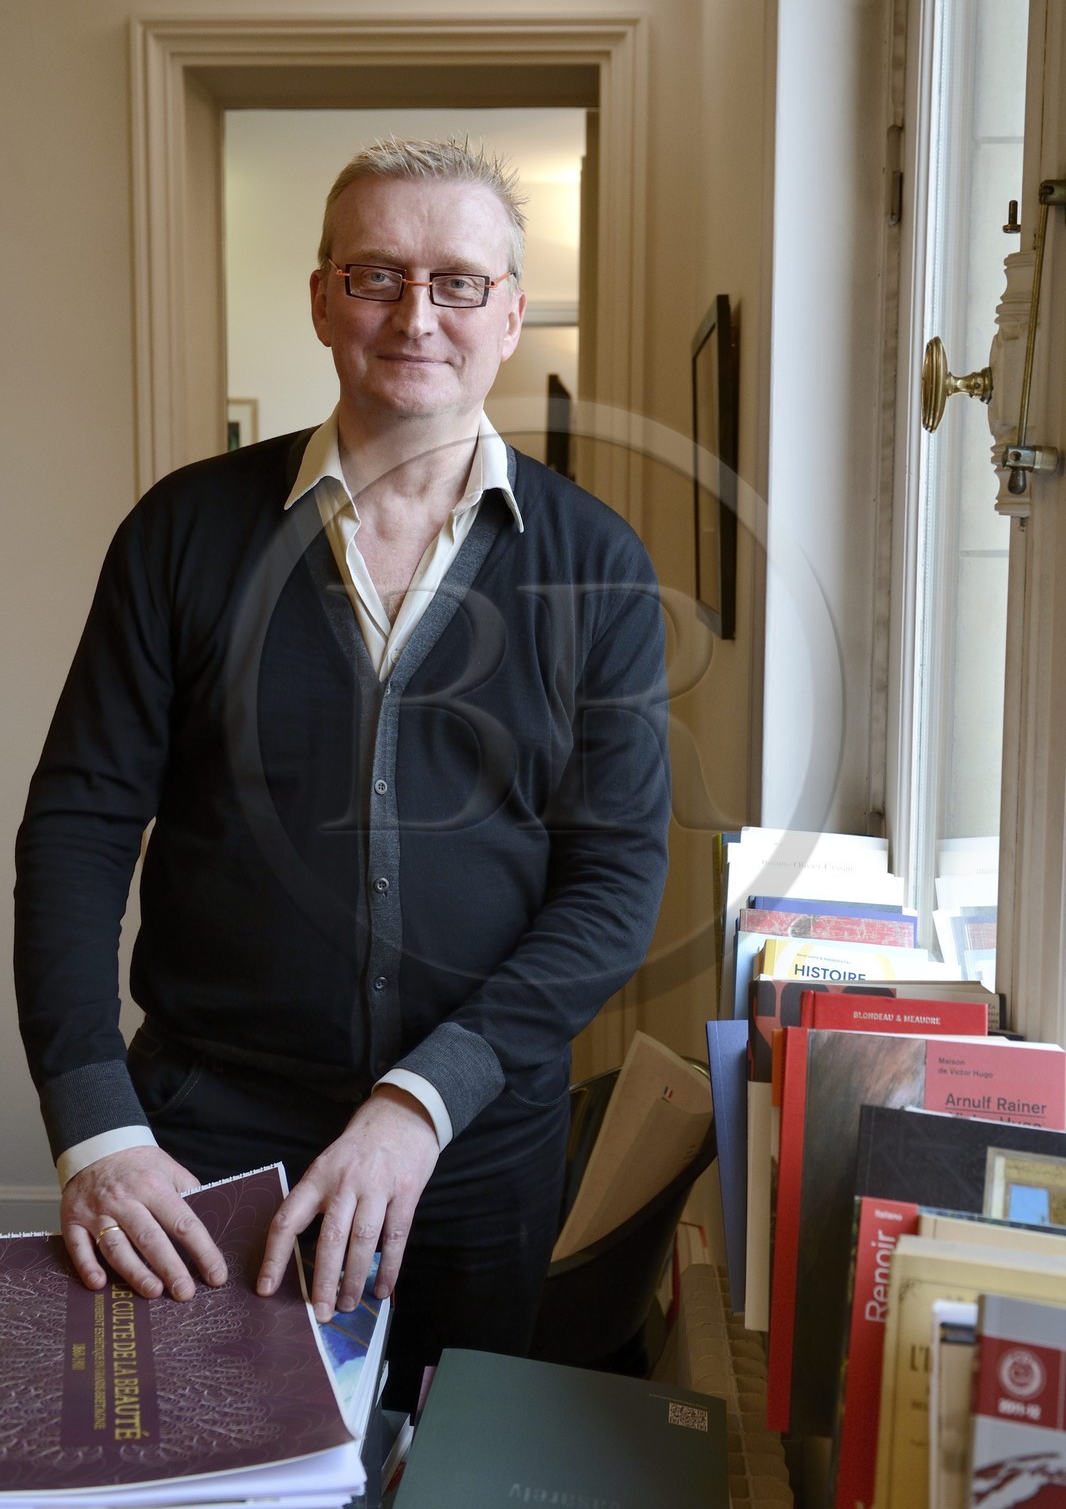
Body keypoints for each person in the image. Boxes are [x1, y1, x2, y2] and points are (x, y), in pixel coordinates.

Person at [13, 136, 671, 1407]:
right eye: (375, 274)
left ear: (510, 312)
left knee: (445, 1465)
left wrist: (422, 1100)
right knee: (194, 1472)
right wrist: (96, 1123)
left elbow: (613, 880)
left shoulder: (599, 565)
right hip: (200, 1153)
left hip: (472, 1156)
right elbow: (79, 827)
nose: (415, 315)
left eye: (457, 282)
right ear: (321, 298)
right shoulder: (182, 532)